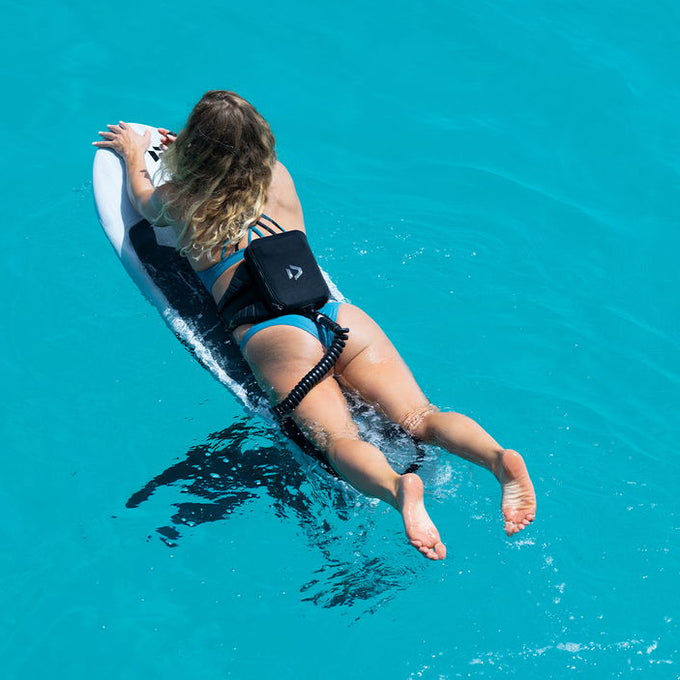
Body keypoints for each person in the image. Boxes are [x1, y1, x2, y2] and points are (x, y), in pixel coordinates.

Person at [94, 90, 536, 561]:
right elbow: (237, 161)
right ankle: (498, 458)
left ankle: (397, 489)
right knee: (420, 416)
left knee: (340, 440)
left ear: (196, 151)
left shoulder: (181, 201)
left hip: (278, 335)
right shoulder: (278, 176)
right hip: (338, 316)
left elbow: (142, 197)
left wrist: (135, 152)